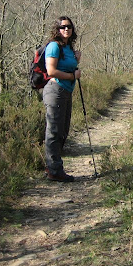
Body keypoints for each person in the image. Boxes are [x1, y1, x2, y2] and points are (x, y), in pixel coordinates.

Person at [42, 16, 81, 182]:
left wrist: (76, 59)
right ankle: (55, 171)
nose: (66, 29)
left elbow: (69, 66)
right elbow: (51, 71)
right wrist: (72, 76)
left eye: (69, 27)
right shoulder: (54, 46)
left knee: (63, 130)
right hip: (55, 91)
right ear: (57, 30)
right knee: (54, 131)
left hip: (65, 92)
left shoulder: (68, 48)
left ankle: (53, 166)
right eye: (63, 27)